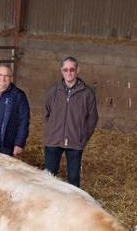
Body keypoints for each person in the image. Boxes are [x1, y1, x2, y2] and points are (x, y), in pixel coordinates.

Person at [42, 56, 98, 188]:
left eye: (72, 69)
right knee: (49, 175)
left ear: (78, 70)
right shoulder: (54, 92)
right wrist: (51, 132)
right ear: (61, 71)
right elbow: (46, 113)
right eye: (65, 70)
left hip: (74, 142)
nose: (69, 73)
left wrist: (82, 137)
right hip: (54, 140)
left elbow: (92, 118)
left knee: (73, 178)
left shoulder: (87, 93)